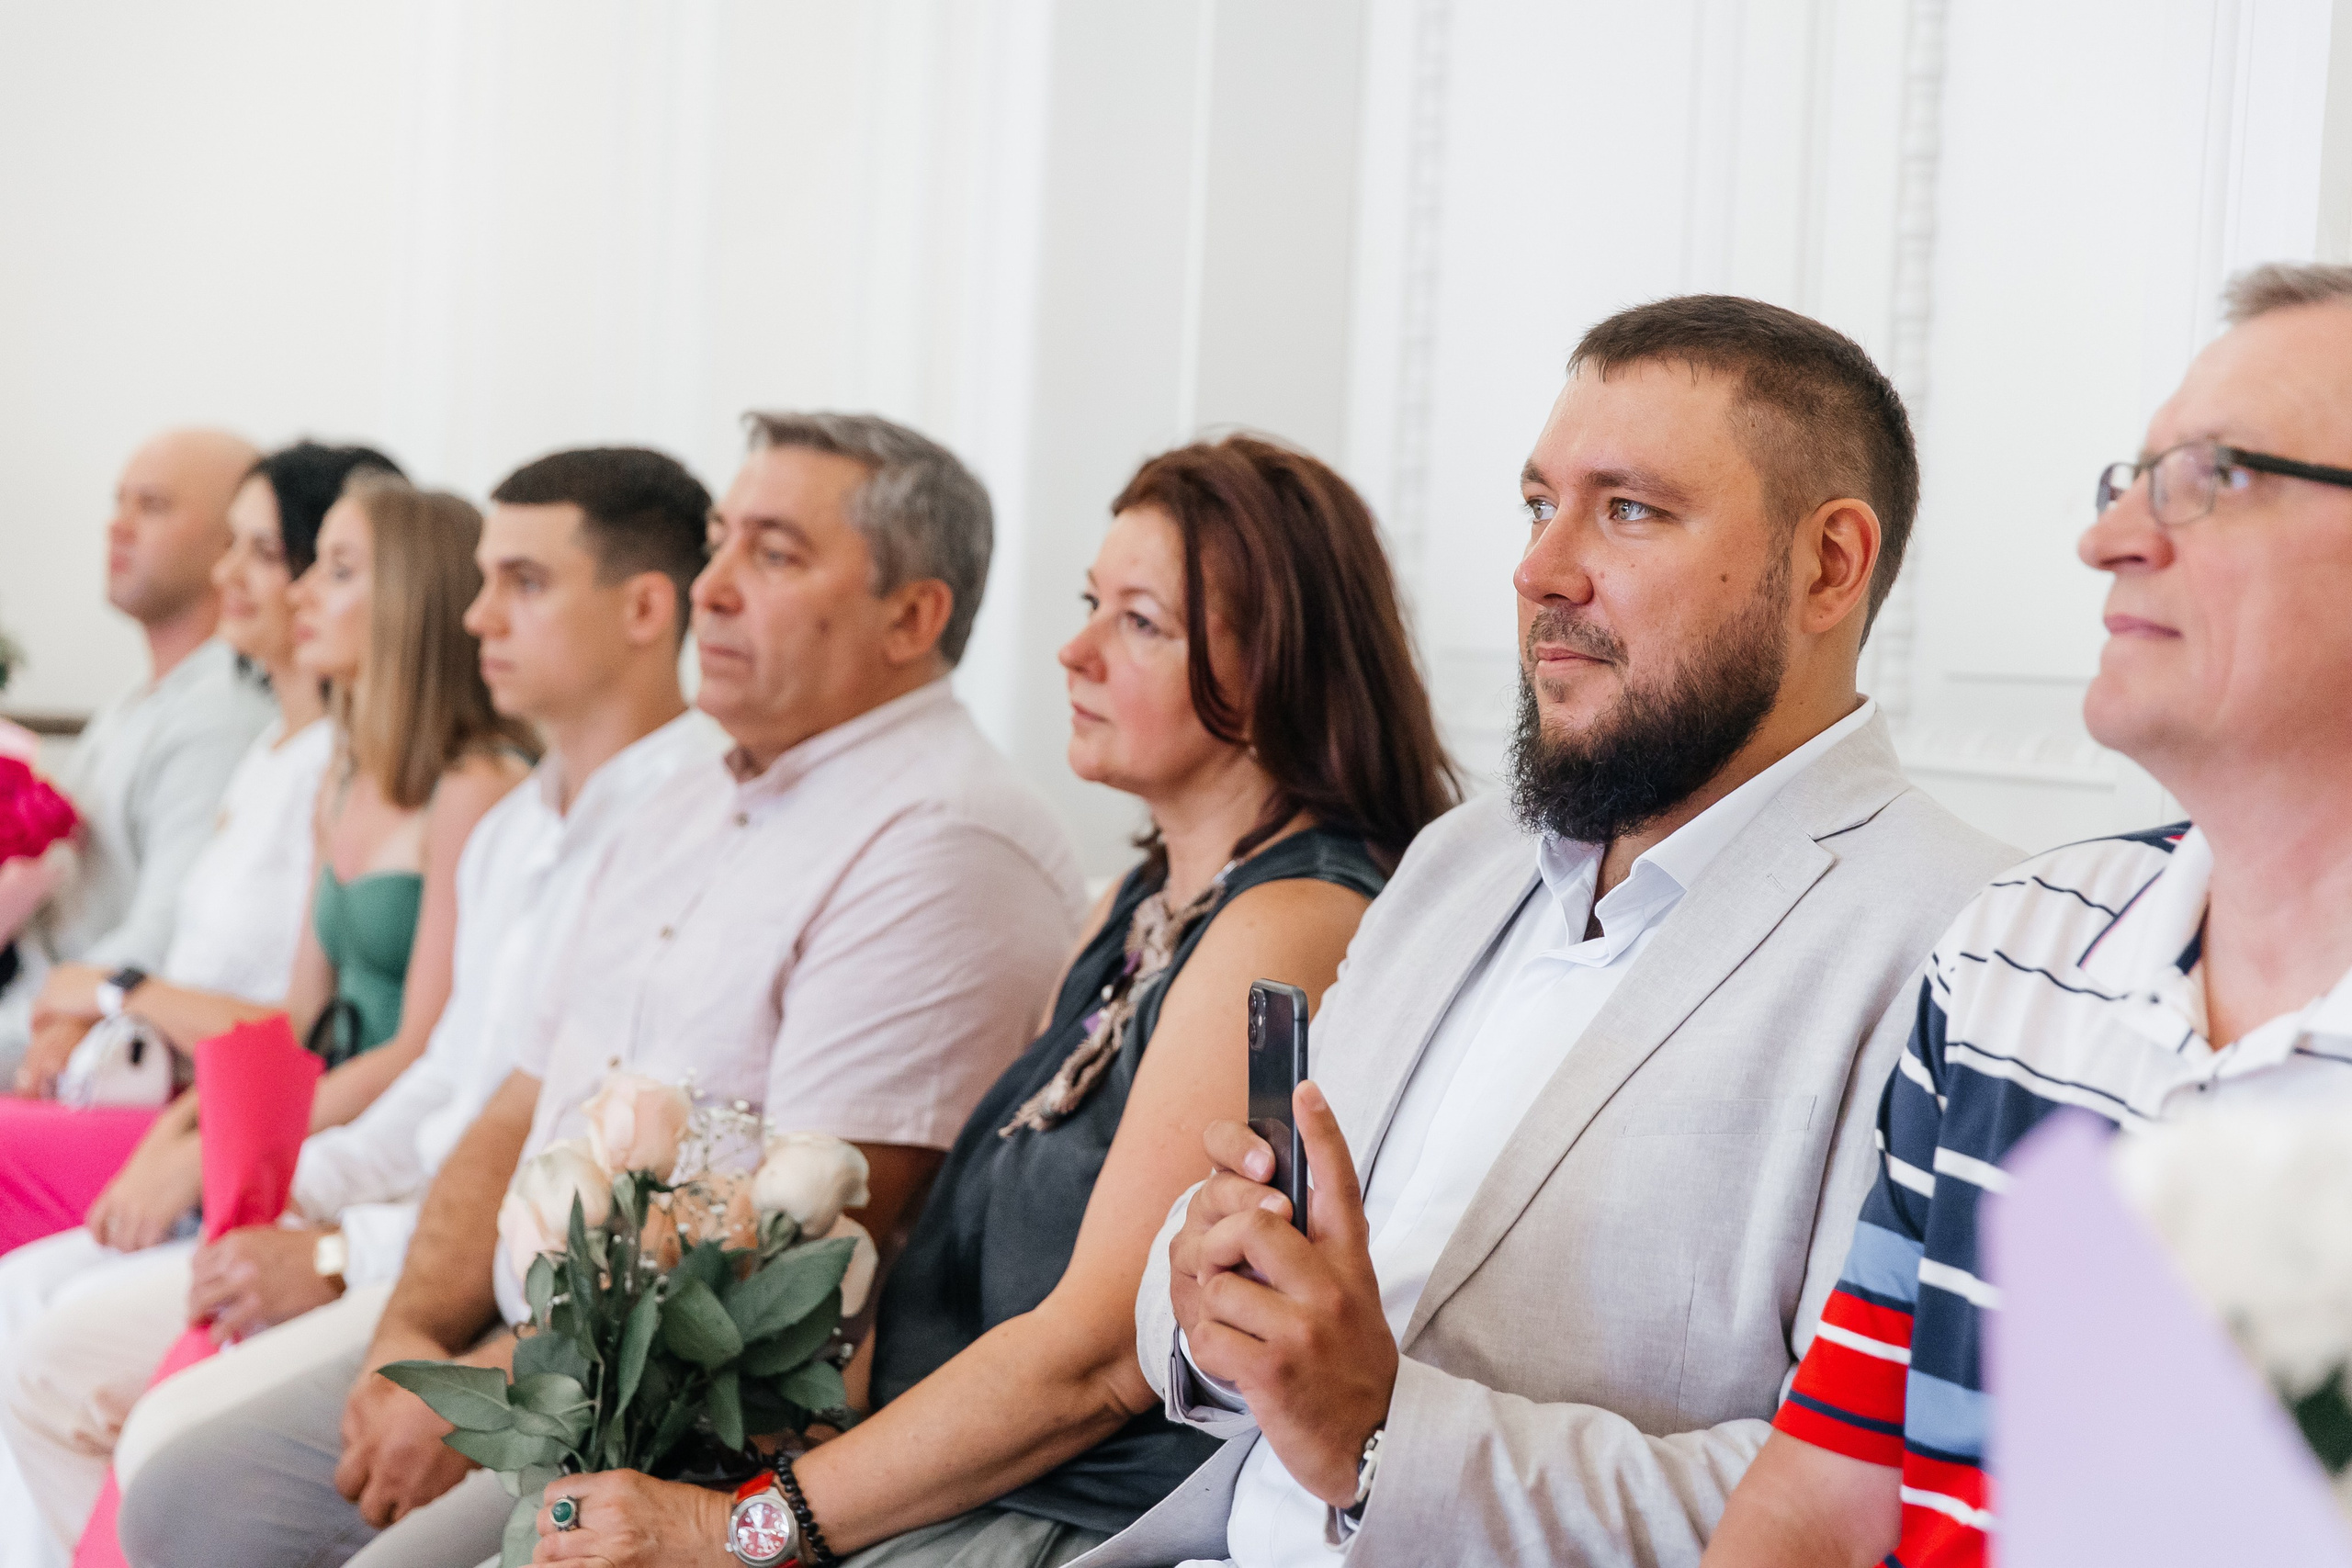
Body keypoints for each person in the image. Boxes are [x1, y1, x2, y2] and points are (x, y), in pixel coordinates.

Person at [1069, 296, 2020, 1568]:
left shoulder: (1971, 945)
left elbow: (1863, 1495)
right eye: (1537, 504)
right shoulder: (1459, 861)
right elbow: (1195, 1301)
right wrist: (1204, 1289)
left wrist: (1380, 1435)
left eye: (1628, 509)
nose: (1540, 569)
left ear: (1828, 565)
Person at [118, 412, 1088, 1568]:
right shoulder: (686, 798)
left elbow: (811, 1247)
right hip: (502, 1331)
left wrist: (480, 1391)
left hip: (688, 1421)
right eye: (719, 543)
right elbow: (519, 1103)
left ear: (912, 615)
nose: (711, 588)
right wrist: (407, 1335)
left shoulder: (942, 836)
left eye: (772, 556)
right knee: (188, 1495)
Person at [506, 435, 1463, 1568]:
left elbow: (1097, 1361)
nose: (1074, 651)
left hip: (1057, 1522)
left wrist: (741, 1526)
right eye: (1088, 604)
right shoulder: (1144, 903)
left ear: (1278, 676)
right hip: (926, 1491)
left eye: (1139, 623)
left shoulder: (1287, 924)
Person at [1698, 264, 2352, 1568]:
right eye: (2133, 477)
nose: (2109, 538)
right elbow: (1823, 1495)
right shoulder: (2019, 949)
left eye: (2214, 477)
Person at [0, 447, 726, 1568]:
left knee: (163, 1445)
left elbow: (566, 1147)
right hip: (407, 1219)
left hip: (509, 1283)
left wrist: (341, 1248)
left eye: (523, 584)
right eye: (482, 580)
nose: (482, 614)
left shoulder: (681, 819)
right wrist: (291, 1197)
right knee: (57, 1351)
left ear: (644, 608)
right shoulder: (526, 818)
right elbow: (447, 1078)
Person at [0, 474, 530, 1259]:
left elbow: (421, 1050)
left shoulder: (474, 788)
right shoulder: (339, 776)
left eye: (335, 570)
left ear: (412, 603)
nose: (303, 592)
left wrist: (207, 1144)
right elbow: (296, 1024)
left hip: (362, 1143)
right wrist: (181, 1138)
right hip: (272, 1108)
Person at [0, 430, 277, 1082]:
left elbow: (165, 937)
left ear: (229, 542)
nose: (117, 526)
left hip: (73, 1039)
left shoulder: (222, 719)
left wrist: (53, 1006)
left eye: (152, 505)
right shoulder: (140, 699)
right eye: (118, 501)